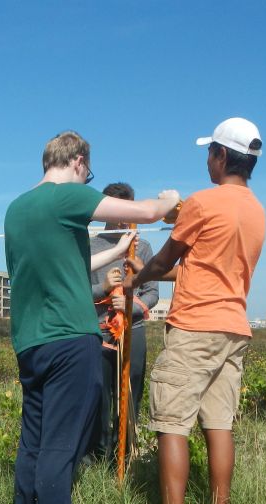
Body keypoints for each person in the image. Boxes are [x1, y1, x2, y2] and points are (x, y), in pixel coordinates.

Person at [4, 130, 180, 504]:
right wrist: (168, 199)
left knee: (33, 445)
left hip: (31, 341)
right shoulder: (70, 197)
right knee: (60, 449)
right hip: (70, 339)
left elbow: (68, 262)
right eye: (88, 172)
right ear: (79, 162)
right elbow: (149, 211)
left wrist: (117, 252)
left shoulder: (18, 209)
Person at [125, 118, 266, 504]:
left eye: (210, 152)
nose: (208, 159)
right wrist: (150, 269)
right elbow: (206, 267)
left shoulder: (204, 203)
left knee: (172, 423)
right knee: (219, 425)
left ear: (221, 156)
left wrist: (136, 278)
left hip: (194, 327)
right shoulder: (257, 211)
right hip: (234, 327)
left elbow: (167, 258)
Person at [88, 181, 160, 464]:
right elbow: (79, 291)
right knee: (99, 398)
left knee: (130, 396)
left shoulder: (143, 247)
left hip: (134, 333)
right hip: (99, 334)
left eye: (127, 209)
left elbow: (152, 293)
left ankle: (126, 457)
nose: (121, 216)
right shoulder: (89, 245)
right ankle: (98, 458)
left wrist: (131, 307)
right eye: (114, 208)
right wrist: (104, 289)